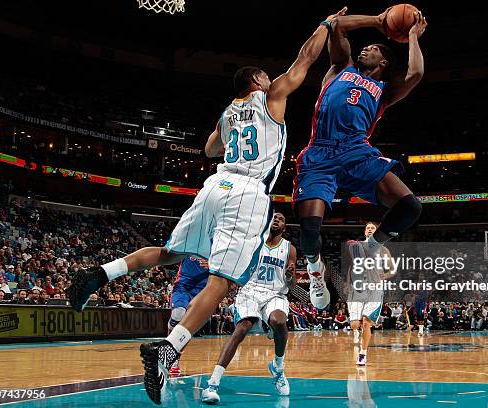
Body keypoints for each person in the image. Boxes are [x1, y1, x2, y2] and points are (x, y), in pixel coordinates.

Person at [66, 8, 344, 405]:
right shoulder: (271, 95)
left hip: (215, 184)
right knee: (222, 282)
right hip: (247, 192)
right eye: (264, 76)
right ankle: (167, 349)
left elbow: (210, 148)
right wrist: (326, 25)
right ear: (257, 81)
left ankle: (99, 273)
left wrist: (230, 130)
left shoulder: (229, 111)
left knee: (169, 253)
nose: (270, 77)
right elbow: (305, 60)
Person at [293, 7, 427, 309]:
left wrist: (413, 36)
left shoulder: (384, 90)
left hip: (357, 151)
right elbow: (338, 26)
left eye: (374, 48)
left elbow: (416, 73)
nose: (365, 48)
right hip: (321, 151)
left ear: (383, 62)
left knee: (410, 206)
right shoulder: (342, 68)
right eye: (365, 46)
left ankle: (369, 247)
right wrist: (378, 21)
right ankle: (315, 272)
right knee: (310, 230)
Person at [201, 212, 296, 404]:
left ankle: (278, 367)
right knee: (242, 328)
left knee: (279, 321)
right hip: (251, 290)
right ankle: (213, 384)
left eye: (281, 219)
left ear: (284, 227)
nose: (277, 220)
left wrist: (289, 276)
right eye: (274, 217)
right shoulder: (254, 242)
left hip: (275, 293)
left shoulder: (289, 248)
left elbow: (291, 284)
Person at [345, 222, 393, 366]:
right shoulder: (357, 246)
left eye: (373, 228)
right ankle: (357, 331)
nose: (370, 230)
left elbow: (392, 269)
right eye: (368, 228)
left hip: (375, 288)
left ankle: (362, 354)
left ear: (377, 231)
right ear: (365, 232)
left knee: (367, 323)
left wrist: (386, 275)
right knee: (354, 324)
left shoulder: (383, 249)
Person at [168, 256, 209, 376]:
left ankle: (175, 357)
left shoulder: (219, 242)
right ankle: (170, 336)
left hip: (203, 289)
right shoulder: (190, 238)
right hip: (183, 285)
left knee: (189, 327)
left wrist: (213, 265)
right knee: (178, 314)